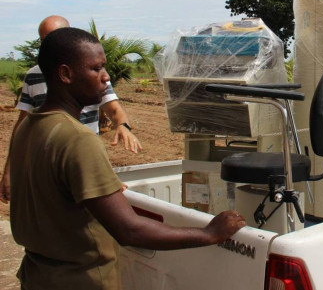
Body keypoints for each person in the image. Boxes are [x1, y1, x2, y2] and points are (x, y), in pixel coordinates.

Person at [9, 27, 246, 290]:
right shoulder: (78, 139)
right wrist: (209, 233)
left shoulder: (27, 128)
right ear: (65, 74)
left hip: (37, 277)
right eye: (96, 69)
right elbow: (128, 230)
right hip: (81, 281)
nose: (106, 77)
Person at [0, 15, 141, 203]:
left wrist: (123, 126)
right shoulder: (33, 76)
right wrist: (10, 170)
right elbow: (22, 124)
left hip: (84, 157)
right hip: (50, 162)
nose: (105, 76)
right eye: (45, 40)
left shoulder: (91, 77)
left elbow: (114, 109)